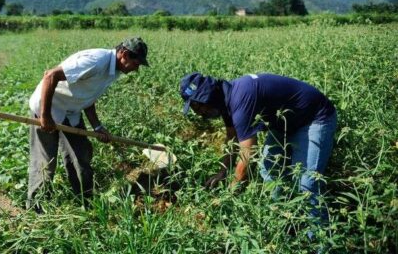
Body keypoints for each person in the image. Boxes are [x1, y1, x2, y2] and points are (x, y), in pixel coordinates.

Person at [179, 72, 337, 227]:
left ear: (208, 96)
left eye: (197, 105)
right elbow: (232, 138)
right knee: (269, 171)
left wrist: (228, 196)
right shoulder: (225, 100)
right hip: (284, 123)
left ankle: (318, 242)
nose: (198, 112)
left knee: (307, 184)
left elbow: (247, 156)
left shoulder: (241, 98)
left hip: (315, 117)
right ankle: (282, 223)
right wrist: (223, 171)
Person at [27, 37, 149, 209]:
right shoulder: (96, 61)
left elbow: (88, 96)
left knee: (81, 157)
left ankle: (85, 203)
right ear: (124, 54)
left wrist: (97, 126)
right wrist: (45, 116)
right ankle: (35, 208)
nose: (136, 69)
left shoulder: (113, 71)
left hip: (71, 112)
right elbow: (50, 75)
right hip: (48, 108)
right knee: (45, 163)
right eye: (136, 63)